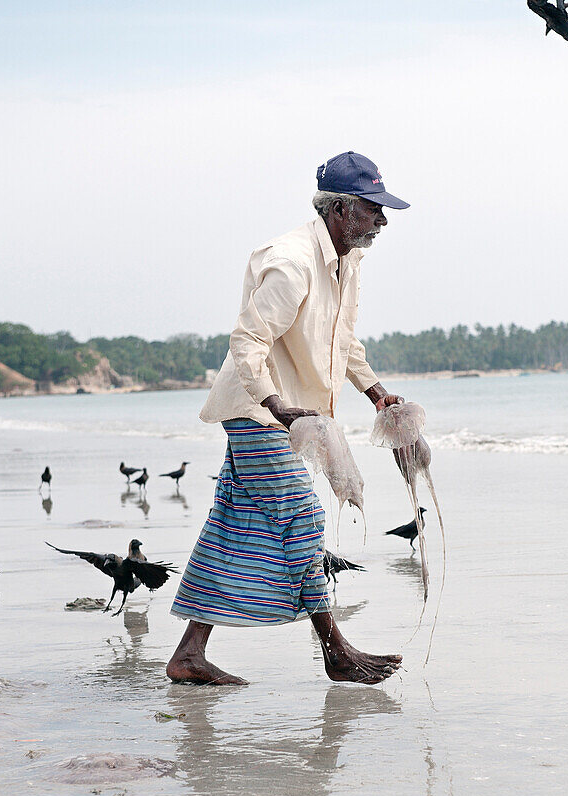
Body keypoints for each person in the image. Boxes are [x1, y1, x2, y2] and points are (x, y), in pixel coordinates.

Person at [167, 151, 409, 686]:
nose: (382, 221)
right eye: (374, 209)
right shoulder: (293, 261)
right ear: (342, 209)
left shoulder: (348, 261)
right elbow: (247, 339)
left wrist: (374, 391)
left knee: (230, 527)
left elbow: (339, 340)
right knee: (304, 519)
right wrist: (275, 406)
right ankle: (336, 650)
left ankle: (189, 654)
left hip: (290, 414)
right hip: (261, 410)